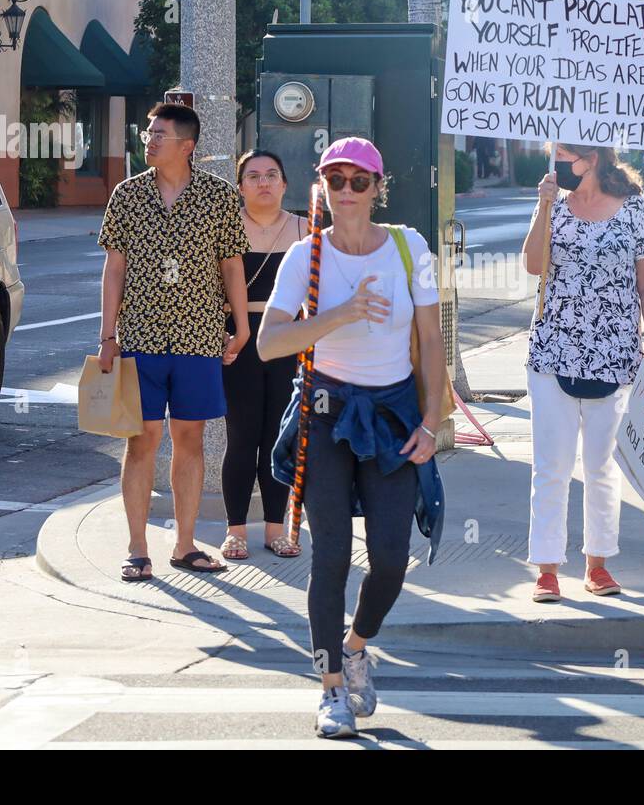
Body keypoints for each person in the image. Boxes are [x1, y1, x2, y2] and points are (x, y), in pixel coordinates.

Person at [260, 136, 448, 740]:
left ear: (376, 188)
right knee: (332, 556)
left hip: (392, 416)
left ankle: (356, 644)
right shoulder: (306, 257)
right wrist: (340, 313)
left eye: (358, 181)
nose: (346, 191)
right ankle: (331, 688)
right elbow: (269, 343)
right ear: (323, 186)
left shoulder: (409, 247)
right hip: (325, 414)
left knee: (391, 558)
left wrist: (431, 423)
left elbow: (432, 341)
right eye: (335, 180)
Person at [97, 102, 250, 583]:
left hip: (198, 338)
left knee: (190, 439)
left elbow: (232, 265)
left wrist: (241, 325)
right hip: (140, 337)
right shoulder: (126, 195)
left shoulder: (219, 196)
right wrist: (107, 336)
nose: (149, 139)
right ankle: (137, 548)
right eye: (149, 132)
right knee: (141, 439)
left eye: (159, 133)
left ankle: (185, 545)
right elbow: (114, 268)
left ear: (187, 145)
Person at [521, 143, 644, 603]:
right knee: (552, 466)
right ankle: (547, 568)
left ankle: (597, 564)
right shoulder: (554, 204)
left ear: (593, 158)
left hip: (615, 356)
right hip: (553, 353)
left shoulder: (634, 209)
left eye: (565, 156)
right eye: (555, 155)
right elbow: (533, 264)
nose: (558, 164)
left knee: (602, 466)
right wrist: (544, 207)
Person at [219, 150, 306, 561]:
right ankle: (235, 530)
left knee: (278, 437)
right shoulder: (226, 226)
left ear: (285, 184)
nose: (264, 182)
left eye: (272, 174)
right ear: (241, 187)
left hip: (287, 343)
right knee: (241, 436)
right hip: (239, 343)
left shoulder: (305, 229)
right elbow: (210, 288)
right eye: (253, 176)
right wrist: (222, 336)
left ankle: (276, 528)